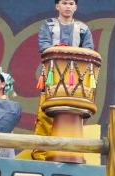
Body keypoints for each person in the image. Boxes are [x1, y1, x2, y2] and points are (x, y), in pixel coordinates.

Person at [32, 0, 95, 161]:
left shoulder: (83, 28)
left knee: (73, 117)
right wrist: (62, 49)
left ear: (76, 7)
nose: (68, 6)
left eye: (71, 3)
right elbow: (44, 47)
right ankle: (40, 156)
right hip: (52, 78)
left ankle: (71, 155)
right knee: (46, 116)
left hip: (75, 82)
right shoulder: (48, 25)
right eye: (64, 3)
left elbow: (89, 51)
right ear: (57, 6)